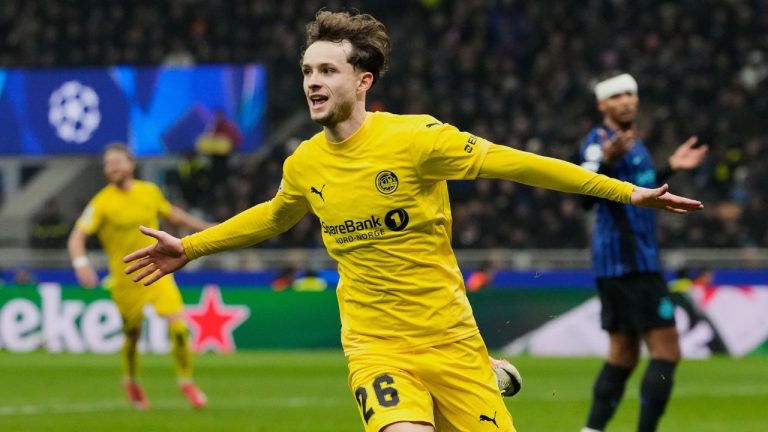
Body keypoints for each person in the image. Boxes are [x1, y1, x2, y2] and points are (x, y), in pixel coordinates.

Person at [124, 12, 702, 432]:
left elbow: (521, 165)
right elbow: (275, 216)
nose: (313, 82)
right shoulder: (304, 162)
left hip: (448, 338)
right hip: (375, 345)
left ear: (363, 80)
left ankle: (484, 369)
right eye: (306, 70)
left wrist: (627, 193)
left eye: (328, 69)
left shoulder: (418, 139)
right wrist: (191, 246)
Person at [577, 73, 709, 432]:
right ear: (602, 105)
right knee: (667, 352)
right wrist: (604, 161)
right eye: (616, 96)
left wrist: (670, 168)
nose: (625, 100)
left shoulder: (635, 144)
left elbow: (643, 189)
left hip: (619, 266)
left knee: (623, 355)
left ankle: (591, 430)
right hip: (631, 262)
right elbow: (584, 197)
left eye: (630, 94)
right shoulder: (598, 142)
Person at [68, 143, 213, 411]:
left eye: (117, 161)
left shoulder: (150, 191)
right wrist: (81, 263)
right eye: (107, 163)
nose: (111, 167)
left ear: (131, 164)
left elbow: (174, 216)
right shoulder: (101, 202)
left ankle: (186, 381)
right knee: (132, 337)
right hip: (127, 280)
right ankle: (132, 380)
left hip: (159, 272)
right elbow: (77, 236)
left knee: (179, 327)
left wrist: (209, 230)